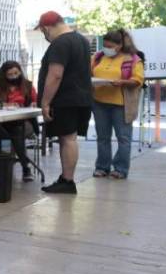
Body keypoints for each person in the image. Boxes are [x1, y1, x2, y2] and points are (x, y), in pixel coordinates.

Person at [35, 10, 93, 194]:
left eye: (43, 32)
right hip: (82, 97)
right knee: (70, 139)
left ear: (47, 28)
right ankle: (66, 178)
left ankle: (67, 181)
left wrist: (45, 102)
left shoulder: (60, 43)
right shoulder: (82, 40)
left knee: (67, 139)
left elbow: (55, 74)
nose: (45, 36)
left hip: (65, 99)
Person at [91, 28, 144, 179]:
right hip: (99, 102)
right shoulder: (98, 57)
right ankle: (102, 167)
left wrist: (123, 82)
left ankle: (120, 169)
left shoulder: (132, 59)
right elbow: (88, 72)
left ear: (119, 45)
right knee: (102, 137)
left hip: (121, 105)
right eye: (105, 45)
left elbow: (138, 80)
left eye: (110, 46)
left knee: (123, 138)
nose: (106, 49)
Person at [0, 60, 38, 182]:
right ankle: (19, 165)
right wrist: (4, 104)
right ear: (4, 75)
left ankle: (14, 165)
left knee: (14, 133)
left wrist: (31, 104)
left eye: (16, 73)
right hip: (3, 123)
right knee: (7, 134)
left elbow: (36, 103)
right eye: (10, 74)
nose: (14, 76)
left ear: (20, 71)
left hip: (25, 122)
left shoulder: (28, 85)